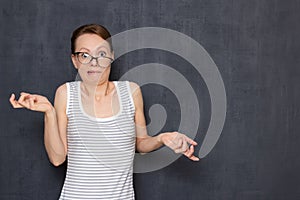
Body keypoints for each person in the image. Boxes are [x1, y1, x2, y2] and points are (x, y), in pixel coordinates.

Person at [9, 24, 199, 200]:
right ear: (75, 60)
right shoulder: (66, 93)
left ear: (111, 56)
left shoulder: (131, 92)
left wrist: (163, 138)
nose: (94, 62)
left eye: (101, 54)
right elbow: (58, 158)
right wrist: (49, 112)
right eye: (85, 55)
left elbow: (140, 143)